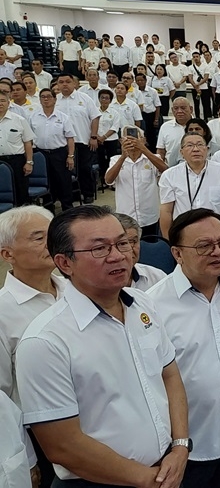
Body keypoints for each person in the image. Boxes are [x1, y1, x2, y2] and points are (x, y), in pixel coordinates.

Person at [16, 205, 191, 487]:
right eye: (100, 249)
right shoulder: (45, 342)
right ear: (64, 263)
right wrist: (148, 480)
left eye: (123, 243)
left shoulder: (142, 303)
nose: (119, 255)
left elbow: (169, 374)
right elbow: (63, 445)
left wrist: (181, 445)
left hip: (165, 470)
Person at [145, 209, 220, 488]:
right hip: (187, 449)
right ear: (177, 254)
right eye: (204, 246)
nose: (218, 252)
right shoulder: (153, 306)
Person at [0, 206, 61, 488]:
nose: (50, 243)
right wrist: (26, 459)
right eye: (38, 238)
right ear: (7, 254)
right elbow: (2, 398)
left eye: (52, 235)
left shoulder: (76, 290)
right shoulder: (4, 311)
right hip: (42, 436)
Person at [158, 133, 220, 237]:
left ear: (207, 149)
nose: (196, 149)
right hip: (184, 230)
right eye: (190, 145)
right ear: (181, 152)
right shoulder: (169, 175)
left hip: (217, 229)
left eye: (200, 145)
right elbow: (166, 210)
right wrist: (168, 240)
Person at [27, 89, 77, 212]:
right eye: (42, 97)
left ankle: (67, 209)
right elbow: (28, 138)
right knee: (47, 182)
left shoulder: (63, 117)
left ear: (55, 99)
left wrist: (70, 156)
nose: (46, 99)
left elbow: (70, 138)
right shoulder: (33, 117)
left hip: (59, 153)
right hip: (40, 154)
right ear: (39, 100)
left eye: (49, 96)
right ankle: (48, 208)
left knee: (63, 181)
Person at [55, 74, 101, 204]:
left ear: (74, 84)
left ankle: (87, 193)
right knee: (65, 171)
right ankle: (71, 195)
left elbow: (95, 117)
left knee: (84, 169)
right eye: (61, 82)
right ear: (57, 85)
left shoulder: (84, 98)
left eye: (68, 82)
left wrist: (93, 136)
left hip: (82, 140)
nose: (64, 84)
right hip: (62, 143)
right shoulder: (55, 100)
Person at [0, 93, 35, 206]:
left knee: (20, 192)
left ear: (8, 103)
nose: (0, 103)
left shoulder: (19, 120)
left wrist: (29, 162)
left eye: (2, 101)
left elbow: (27, 143)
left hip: (16, 161)